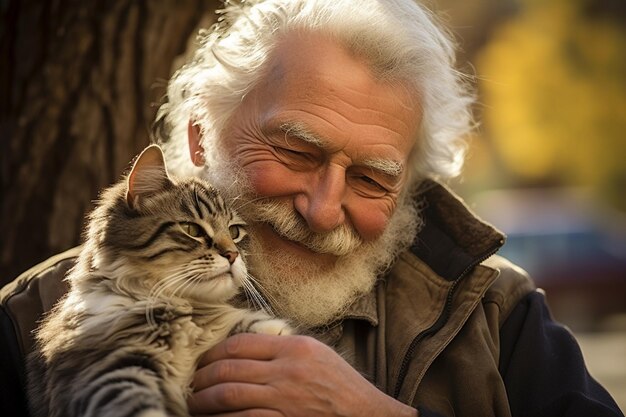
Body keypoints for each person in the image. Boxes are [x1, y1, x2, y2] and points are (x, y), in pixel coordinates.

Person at [1, 0, 622, 416]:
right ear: (199, 135)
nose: (325, 210)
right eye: (296, 151)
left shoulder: (493, 317)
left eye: (373, 180)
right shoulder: (32, 317)